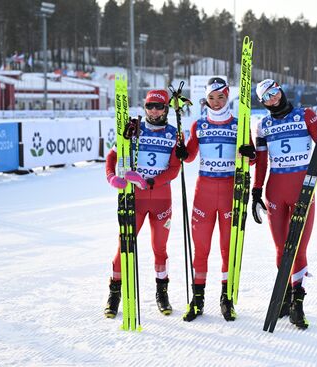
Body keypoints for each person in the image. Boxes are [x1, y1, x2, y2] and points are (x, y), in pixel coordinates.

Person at [251, 79, 317, 329]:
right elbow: (261, 162)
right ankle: (284, 295)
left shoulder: (305, 115)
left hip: (302, 189)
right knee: (280, 247)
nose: (273, 99)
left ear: (281, 90)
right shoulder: (263, 125)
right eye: (267, 97)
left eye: (275, 92)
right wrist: (256, 192)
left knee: (299, 247)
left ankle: (298, 302)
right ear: (262, 103)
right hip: (275, 191)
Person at [175, 77, 256, 322]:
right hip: (205, 193)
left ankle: (226, 299)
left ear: (228, 96)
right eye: (212, 98)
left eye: (221, 97)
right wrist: (182, 152)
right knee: (201, 249)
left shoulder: (239, 124)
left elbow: (251, 159)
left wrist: (250, 155)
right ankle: (197, 299)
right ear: (206, 99)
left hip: (230, 192)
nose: (217, 102)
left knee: (227, 249)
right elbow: (188, 157)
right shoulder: (199, 125)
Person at [104, 89, 181, 318]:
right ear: (145, 107)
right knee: (124, 247)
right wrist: (111, 177)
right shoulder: (133, 129)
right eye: (150, 106)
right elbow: (112, 157)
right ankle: (114, 293)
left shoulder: (173, 134)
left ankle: (162, 292)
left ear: (166, 108)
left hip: (160, 199)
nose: (154, 111)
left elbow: (175, 169)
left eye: (159, 107)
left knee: (160, 248)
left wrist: (149, 182)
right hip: (133, 200)